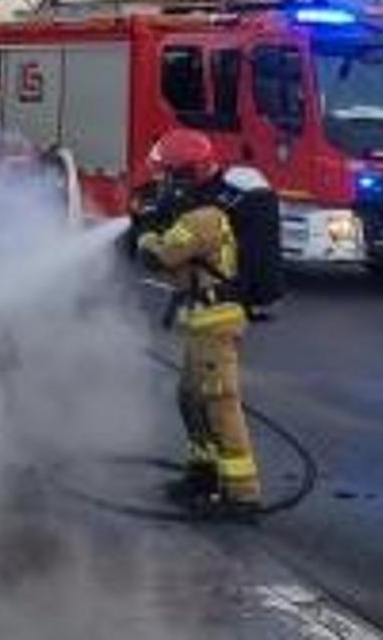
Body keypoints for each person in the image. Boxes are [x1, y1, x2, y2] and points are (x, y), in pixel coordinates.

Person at [134, 129, 262, 513]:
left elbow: (162, 255)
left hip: (216, 322)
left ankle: (242, 493)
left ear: (186, 176)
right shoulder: (195, 212)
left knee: (218, 401)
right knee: (190, 398)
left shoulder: (204, 218)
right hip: (201, 320)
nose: (162, 183)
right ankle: (204, 474)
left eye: (167, 175)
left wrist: (144, 234)